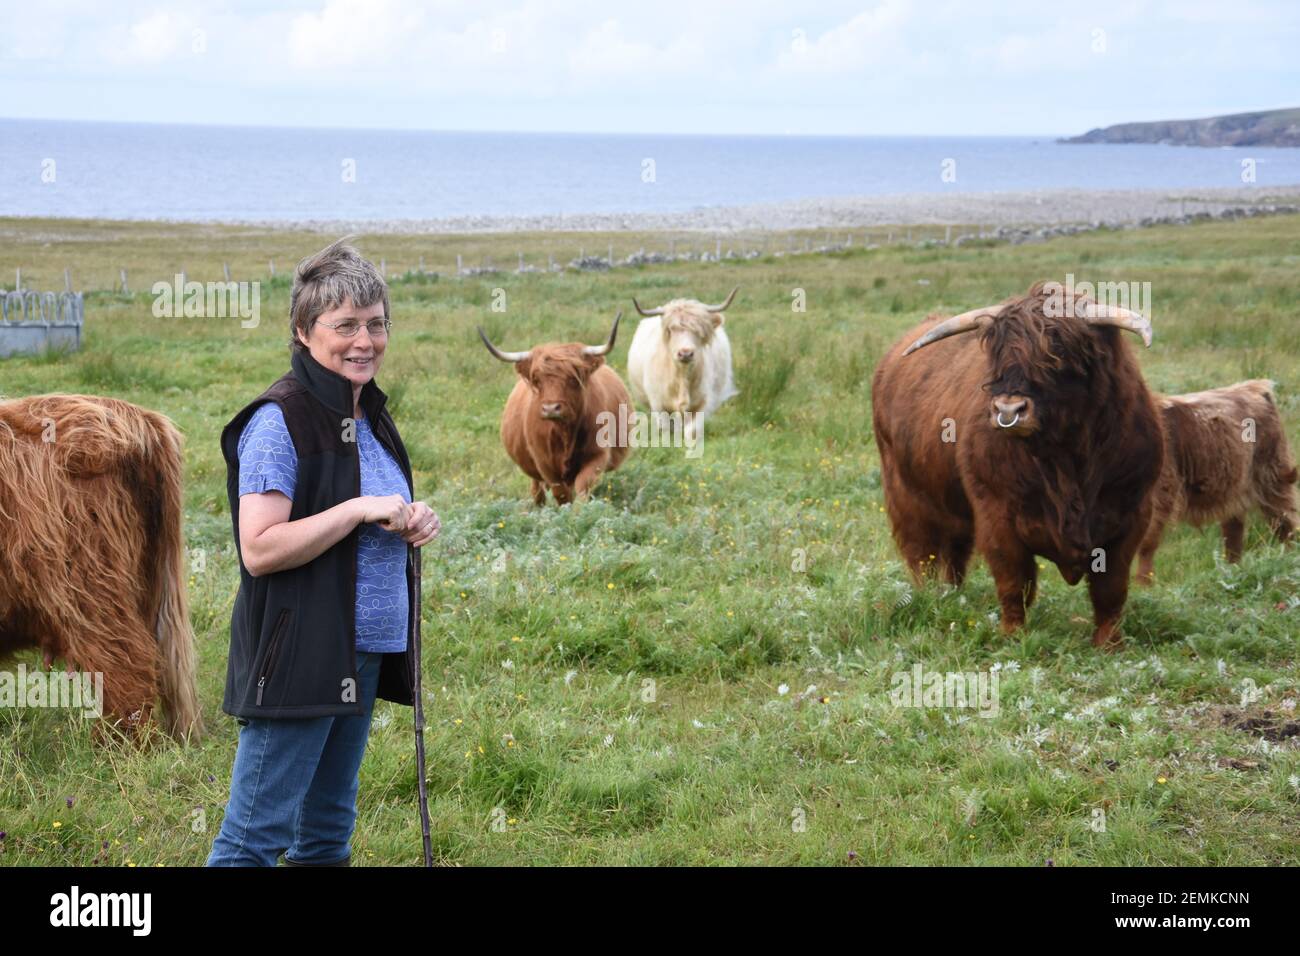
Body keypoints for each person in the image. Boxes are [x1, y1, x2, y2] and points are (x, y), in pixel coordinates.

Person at [206, 238, 439, 866]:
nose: (365, 340)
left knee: (328, 831)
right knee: (256, 836)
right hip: (301, 653)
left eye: (376, 323)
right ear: (305, 330)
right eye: (345, 326)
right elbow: (259, 548)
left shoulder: (367, 414)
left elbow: (368, 507)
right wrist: (359, 510)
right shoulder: (280, 421)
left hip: (360, 650)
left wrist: (412, 518)